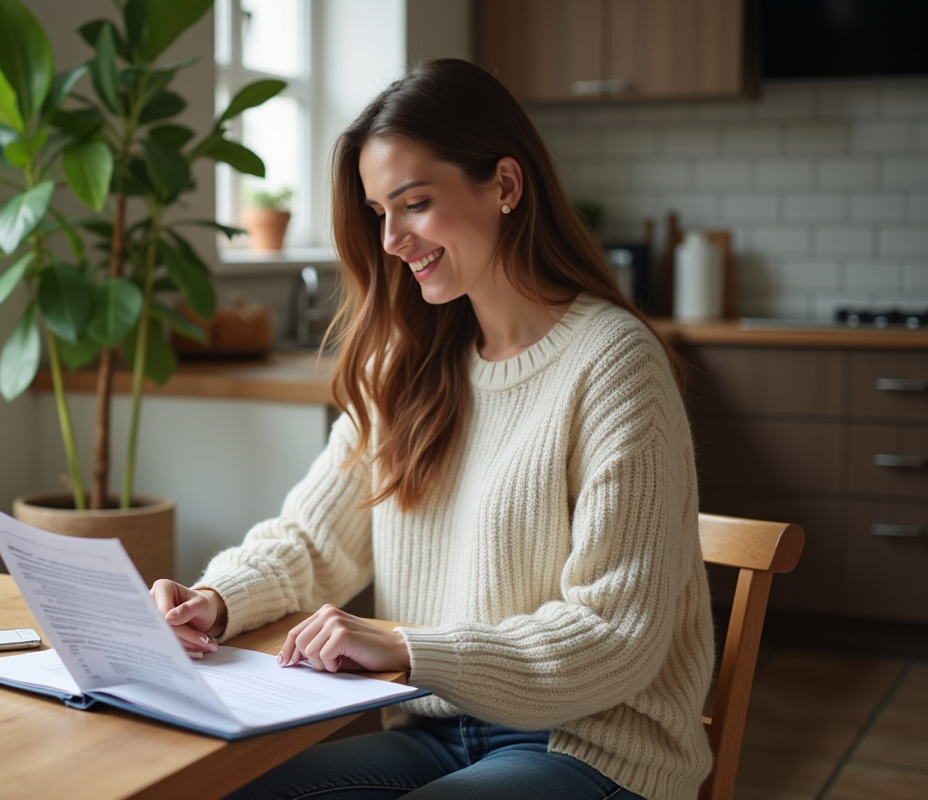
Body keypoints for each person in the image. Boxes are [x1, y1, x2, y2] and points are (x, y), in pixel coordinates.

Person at [150, 58, 714, 800]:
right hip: (434, 731)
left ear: (506, 186)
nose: (391, 239)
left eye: (413, 204)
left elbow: (614, 634)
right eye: (381, 212)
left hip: (591, 744)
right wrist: (214, 600)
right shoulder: (406, 361)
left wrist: (407, 647)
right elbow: (315, 541)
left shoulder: (613, 365)